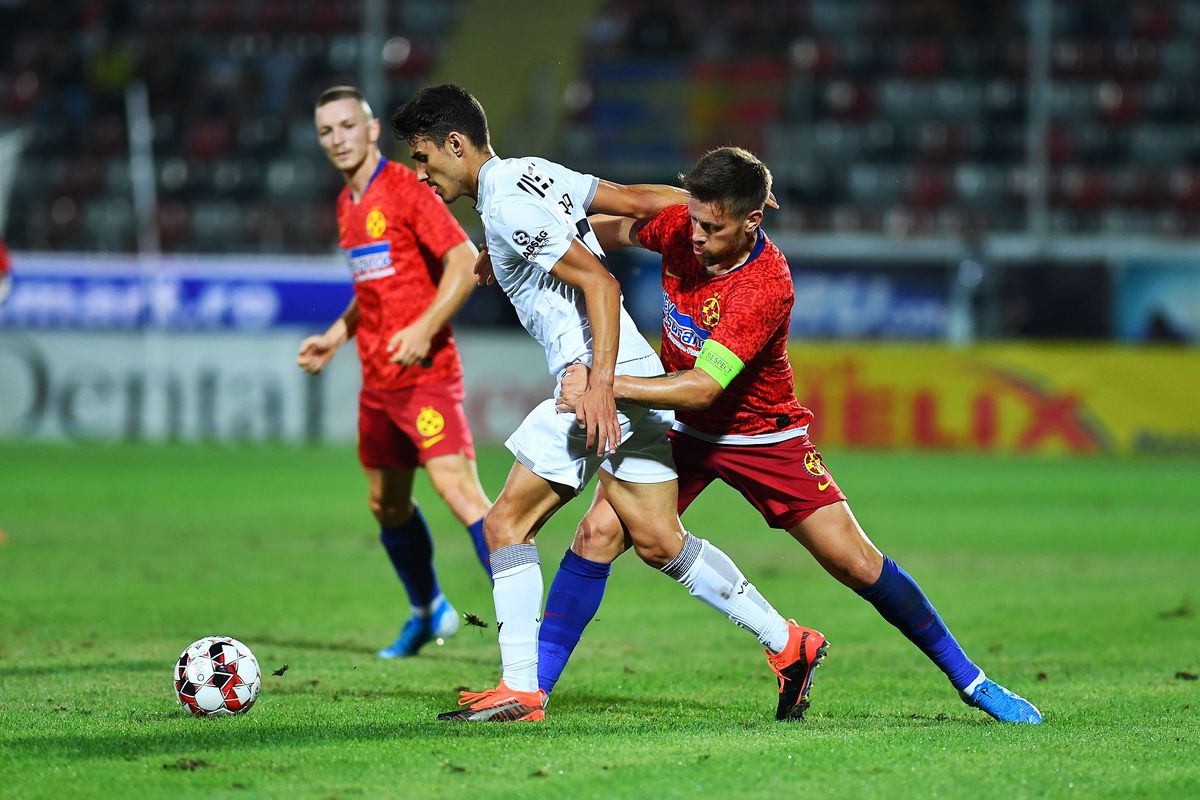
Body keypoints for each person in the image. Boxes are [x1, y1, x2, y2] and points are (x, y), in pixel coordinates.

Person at [548, 146, 1042, 724]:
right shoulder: (685, 227)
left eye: (712, 227)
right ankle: (531, 692)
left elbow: (704, 387)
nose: (697, 237)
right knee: (596, 534)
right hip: (681, 432)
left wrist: (604, 384)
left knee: (857, 564)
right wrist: (533, 251)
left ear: (751, 221)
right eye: (694, 222)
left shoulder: (765, 284)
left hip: (762, 436)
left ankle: (973, 682)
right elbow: (618, 228)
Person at [391, 84, 826, 723]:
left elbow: (600, 279)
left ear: (456, 145)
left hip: (595, 384)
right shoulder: (529, 176)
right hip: (634, 373)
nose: (421, 172)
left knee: (505, 524)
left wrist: (597, 384)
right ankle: (789, 643)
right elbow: (636, 200)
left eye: (425, 157)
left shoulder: (508, 203)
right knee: (658, 541)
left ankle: (520, 688)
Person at [297, 86, 493, 659]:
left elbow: (462, 258)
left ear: (372, 129)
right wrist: (337, 334)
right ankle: (429, 609)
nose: (337, 139)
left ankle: (523, 622)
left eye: (346, 126)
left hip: (426, 374)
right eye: (326, 131)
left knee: (459, 491)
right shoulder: (346, 204)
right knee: (386, 506)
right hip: (378, 382)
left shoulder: (407, 190)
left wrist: (425, 327)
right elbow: (373, 286)